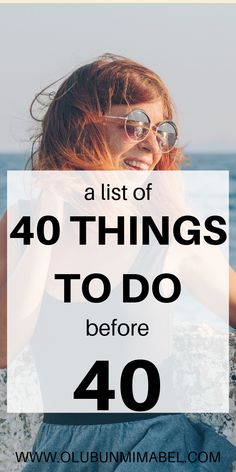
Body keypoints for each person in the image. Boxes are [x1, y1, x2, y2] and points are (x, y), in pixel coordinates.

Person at [1, 53, 236, 471]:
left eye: (161, 132)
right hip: (63, 455)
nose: (151, 144)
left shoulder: (169, 225)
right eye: (134, 126)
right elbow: (5, 348)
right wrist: (46, 219)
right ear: (82, 125)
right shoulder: (22, 220)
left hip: (160, 449)